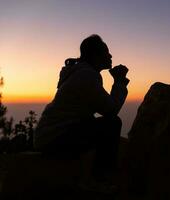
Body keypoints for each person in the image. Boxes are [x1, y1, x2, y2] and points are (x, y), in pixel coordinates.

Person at [33, 34, 129, 193]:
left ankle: (95, 178)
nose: (110, 55)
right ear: (95, 55)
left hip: (49, 136)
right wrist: (119, 82)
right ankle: (98, 180)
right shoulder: (86, 75)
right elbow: (110, 110)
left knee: (106, 126)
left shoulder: (82, 73)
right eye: (106, 52)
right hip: (55, 138)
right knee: (112, 123)